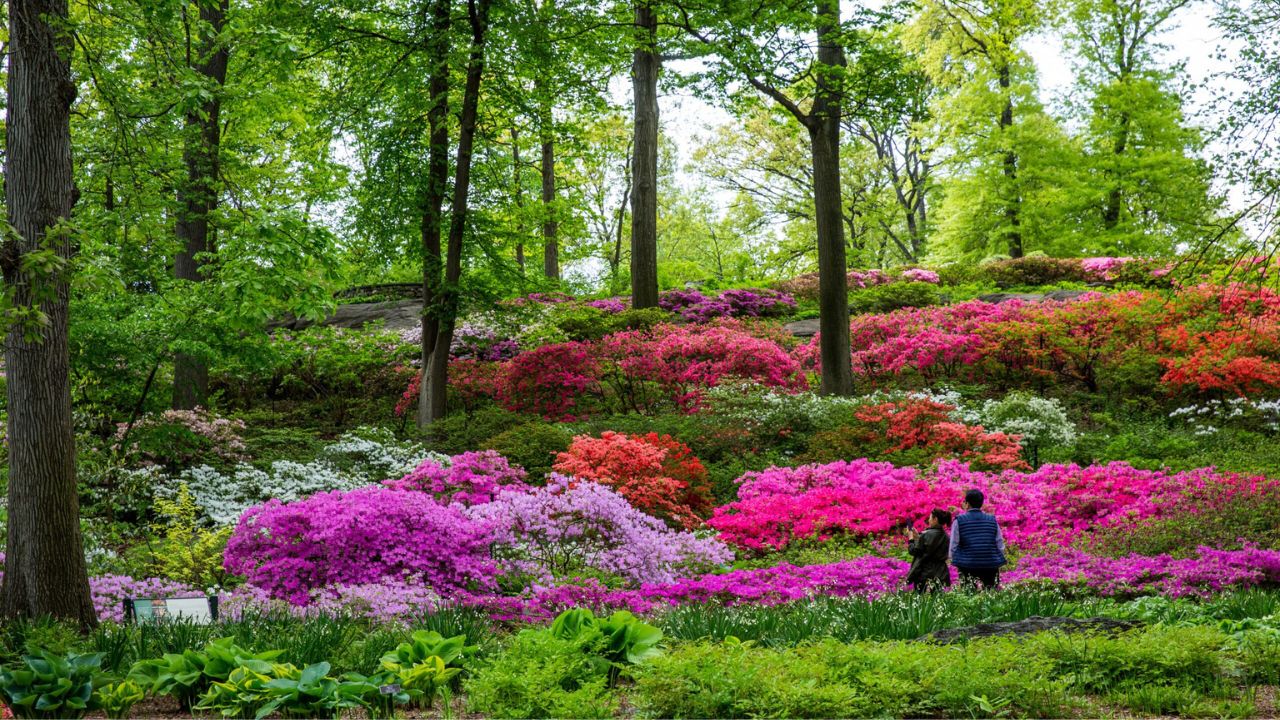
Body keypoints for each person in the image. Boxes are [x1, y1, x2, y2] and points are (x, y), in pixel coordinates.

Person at [949, 489, 1007, 591]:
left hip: (967, 563)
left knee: (968, 593)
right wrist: (998, 558)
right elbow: (999, 543)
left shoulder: (959, 520)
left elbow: (954, 544)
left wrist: (954, 559)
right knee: (991, 593)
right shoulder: (992, 520)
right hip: (990, 563)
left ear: (967, 503)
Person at [904, 509, 952, 593]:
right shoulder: (946, 536)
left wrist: (911, 537)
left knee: (920, 598)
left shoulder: (926, 534)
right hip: (940, 571)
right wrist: (918, 537)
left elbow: (913, 551)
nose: (928, 520)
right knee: (936, 599)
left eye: (930, 518)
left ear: (935, 519)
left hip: (923, 572)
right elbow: (931, 546)